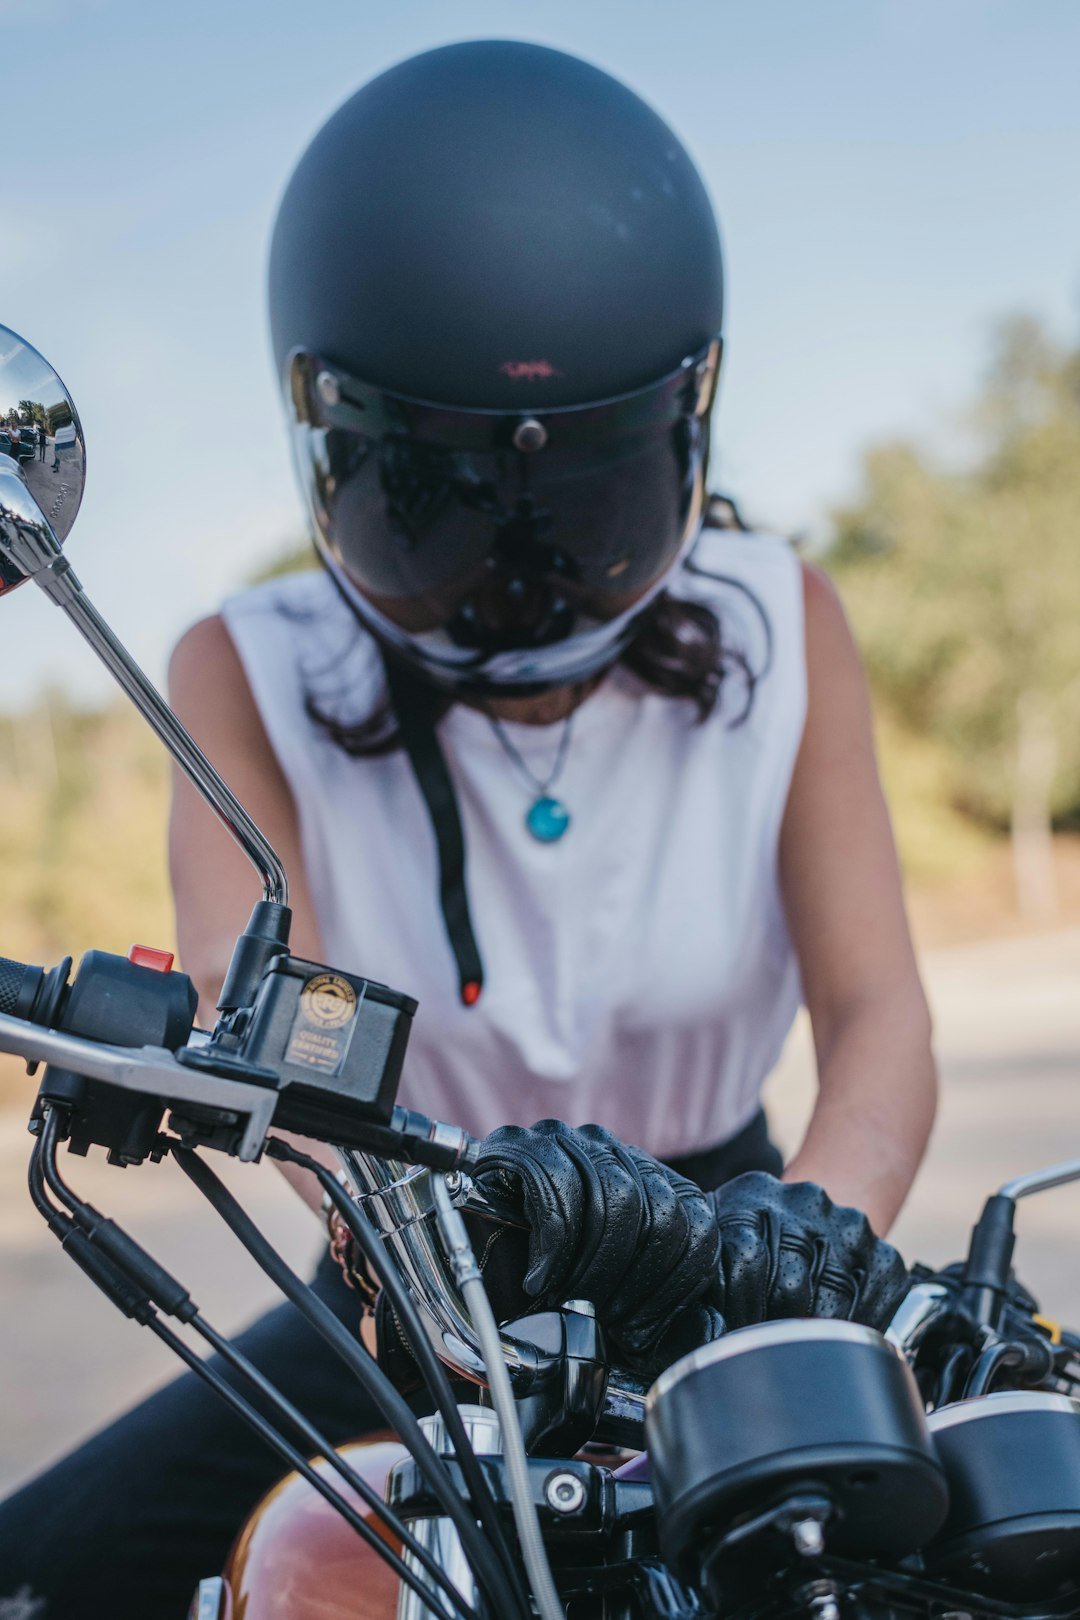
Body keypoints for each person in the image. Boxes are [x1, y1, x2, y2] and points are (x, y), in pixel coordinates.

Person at [0, 41, 933, 1618]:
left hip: (751, 1233)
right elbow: (262, 1040)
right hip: (416, 1244)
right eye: (445, 497)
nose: (526, 567)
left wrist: (799, 1264)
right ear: (334, 443)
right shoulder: (239, 666)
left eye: (584, 492)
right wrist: (428, 1281)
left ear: (684, 426)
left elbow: (879, 1013)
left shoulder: (787, 619)